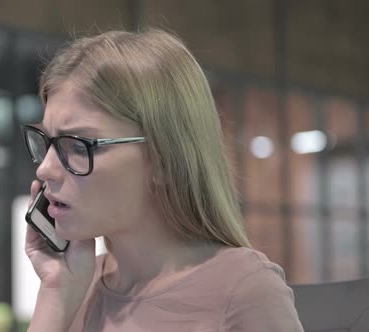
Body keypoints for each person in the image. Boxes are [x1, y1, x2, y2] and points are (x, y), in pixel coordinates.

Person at [21, 28, 304, 331]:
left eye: (78, 145)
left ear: (164, 159)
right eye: (47, 142)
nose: (45, 169)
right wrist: (54, 295)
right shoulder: (74, 286)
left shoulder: (242, 290)